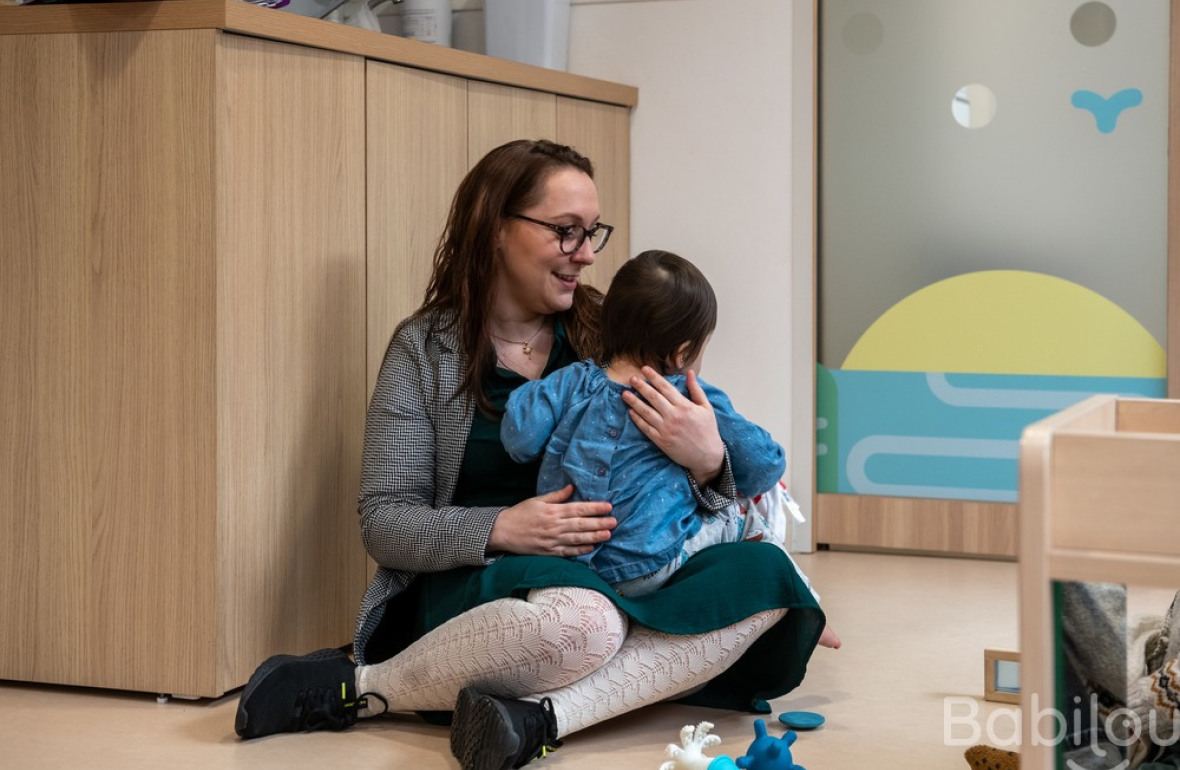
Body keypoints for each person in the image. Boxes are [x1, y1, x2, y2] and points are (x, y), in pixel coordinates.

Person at [233, 139, 825, 770]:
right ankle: (361, 688)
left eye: (592, 231)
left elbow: (686, 480)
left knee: (770, 580)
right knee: (588, 621)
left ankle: (533, 720)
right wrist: (504, 527)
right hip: (485, 584)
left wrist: (708, 460)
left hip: (616, 569)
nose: (588, 253)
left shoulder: (610, 327)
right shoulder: (423, 349)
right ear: (495, 228)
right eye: (566, 232)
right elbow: (385, 521)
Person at [500, 250, 827, 609]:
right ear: (682, 353)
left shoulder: (570, 382)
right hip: (652, 566)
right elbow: (765, 466)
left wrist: (535, 389)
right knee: (747, 511)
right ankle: (801, 597)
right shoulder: (691, 396)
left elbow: (519, 440)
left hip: (570, 564)